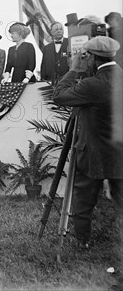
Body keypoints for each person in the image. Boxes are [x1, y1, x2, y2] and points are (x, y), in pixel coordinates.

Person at [53, 36, 122, 248]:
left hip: (94, 153)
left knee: (83, 200)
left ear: (91, 58)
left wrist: (74, 69)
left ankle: (82, 242)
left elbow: (59, 96)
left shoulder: (93, 85)